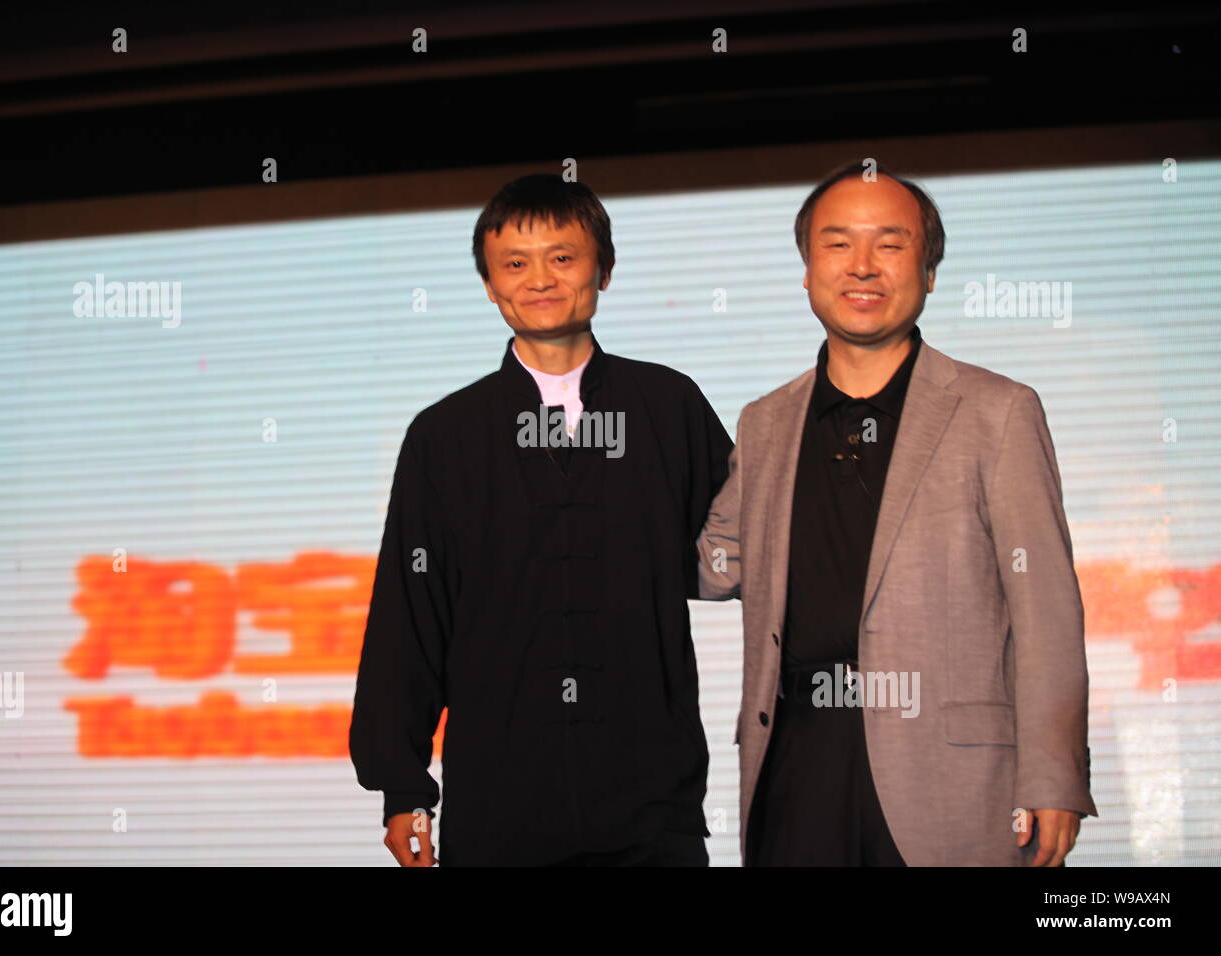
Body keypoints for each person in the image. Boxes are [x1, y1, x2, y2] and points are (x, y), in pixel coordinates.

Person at [697, 162, 1097, 866]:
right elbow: (713, 566)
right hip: (796, 758)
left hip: (951, 773)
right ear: (806, 268)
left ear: (929, 270)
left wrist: (1055, 772)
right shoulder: (766, 422)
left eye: (889, 243)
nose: (862, 266)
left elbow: (1046, 612)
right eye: (837, 243)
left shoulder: (998, 411)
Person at [349, 173, 733, 866]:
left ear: (603, 269)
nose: (540, 280)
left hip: (653, 802)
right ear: (491, 286)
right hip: (499, 807)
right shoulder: (445, 435)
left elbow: (746, 554)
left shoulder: (667, 406)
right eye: (514, 265)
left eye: (563, 258)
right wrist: (402, 787)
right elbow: (410, 617)